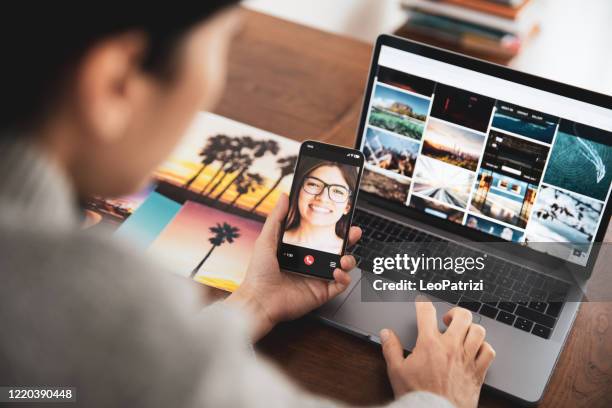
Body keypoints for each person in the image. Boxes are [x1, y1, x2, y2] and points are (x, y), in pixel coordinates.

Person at [0, 3, 495, 408]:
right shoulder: (90, 301)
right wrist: (438, 398)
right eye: (223, 46)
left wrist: (255, 301)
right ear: (115, 83)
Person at [282, 159, 357, 254]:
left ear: (347, 207)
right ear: (298, 191)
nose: (323, 198)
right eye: (313, 184)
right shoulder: (273, 242)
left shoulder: (350, 253)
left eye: (338, 191)